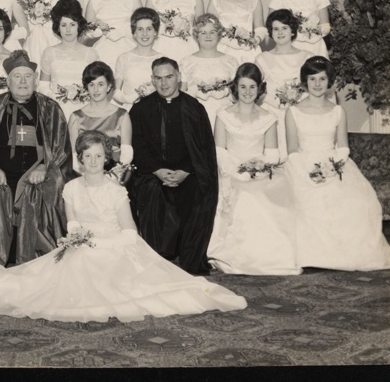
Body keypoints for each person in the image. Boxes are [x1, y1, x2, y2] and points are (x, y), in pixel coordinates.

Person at [0, 131, 247, 322]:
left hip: (115, 247)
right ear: (80, 159)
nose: (93, 161)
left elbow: (130, 234)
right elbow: (72, 223)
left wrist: (99, 244)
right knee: (42, 285)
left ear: (106, 158)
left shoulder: (116, 190)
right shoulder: (71, 188)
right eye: (87, 156)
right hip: (82, 245)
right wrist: (78, 239)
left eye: (98, 156)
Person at [284, 56, 390, 271]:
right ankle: (311, 256)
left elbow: (343, 147)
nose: (317, 84)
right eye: (312, 79)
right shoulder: (293, 111)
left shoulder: (337, 111)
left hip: (334, 165)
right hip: (302, 167)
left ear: (329, 81)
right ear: (305, 81)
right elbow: (292, 150)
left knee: (359, 204)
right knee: (306, 203)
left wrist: (331, 168)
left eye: (322, 79)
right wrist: (309, 172)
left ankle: (345, 257)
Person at [0, 50, 73, 267]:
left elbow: (61, 148)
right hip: (1, 174)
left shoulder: (50, 109)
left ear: (35, 80)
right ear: (8, 81)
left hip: (39, 173)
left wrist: (44, 167)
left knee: (46, 188)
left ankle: (38, 259)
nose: (23, 81)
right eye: (17, 76)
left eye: (27, 76)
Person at [206, 63, 300, 275]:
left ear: (259, 89)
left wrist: (256, 170)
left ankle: (266, 255)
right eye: (243, 87)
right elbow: (220, 151)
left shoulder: (268, 117)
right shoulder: (223, 114)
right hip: (229, 171)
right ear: (235, 88)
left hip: (259, 172)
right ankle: (236, 255)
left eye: (252, 87)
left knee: (261, 194)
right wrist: (236, 172)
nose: (247, 92)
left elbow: (272, 154)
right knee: (242, 194)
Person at [128, 57, 218, 275]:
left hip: (188, 172)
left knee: (200, 190)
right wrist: (158, 170)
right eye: (158, 78)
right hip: (152, 173)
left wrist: (185, 171)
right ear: (152, 79)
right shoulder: (141, 109)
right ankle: (157, 258)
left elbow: (204, 147)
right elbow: (136, 147)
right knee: (150, 191)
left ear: (178, 77)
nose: (164, 83)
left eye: (168, 77)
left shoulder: (194, 108)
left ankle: (191, 259)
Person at [255, 9, 313, 158]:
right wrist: (278, 103)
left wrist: (295, 101)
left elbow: (313, 87)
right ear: (271, 32)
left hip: (300, 112)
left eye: (284, 28)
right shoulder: (262, 58)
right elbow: (258, 91)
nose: (280, 32)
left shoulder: (307, 57)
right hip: (272, 114)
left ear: (292, 31)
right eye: (275, 29)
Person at [68, 61, 133, 182]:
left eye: (101, 84)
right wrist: (89, 176)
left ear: (109, 86)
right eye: (91, 85)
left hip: (115, 177)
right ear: (86, 87)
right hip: (84, 176)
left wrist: (112, 176)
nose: (96, 90)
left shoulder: (122, 115)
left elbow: (127, 154)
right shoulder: (76, 117)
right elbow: (73, 157)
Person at [39, 0, 99, 120]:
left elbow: (95, 85)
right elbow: (42, 86)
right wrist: (58, 97)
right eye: (63, 25)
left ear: (79, 26)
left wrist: (80, 95)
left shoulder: (91, 53)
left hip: (84, 113)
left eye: (72, 24)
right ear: (58, 27)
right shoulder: (49, 53)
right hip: (56, 112)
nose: (68, 30)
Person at [179, 13, 239, 130]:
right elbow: (182, 93)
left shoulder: (231, 61)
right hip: (195, 113)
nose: (208, 36)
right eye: (203, 32)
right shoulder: (187, 61)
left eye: (212, 32)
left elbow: (236, 93)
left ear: (219, 35)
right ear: (196, 36)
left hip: (224, 113)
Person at [113, 7, 161, 110]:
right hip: (131, 111)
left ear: (155, 32)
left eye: (149, 29)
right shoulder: (123, 58)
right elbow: (116, 92)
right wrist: (130, 99)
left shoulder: (163, 60)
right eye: (140, 29)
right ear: (134, 33)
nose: (144, 34)